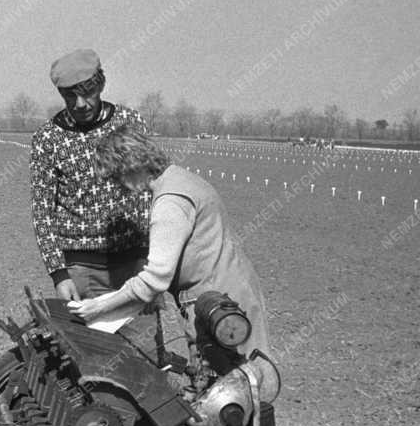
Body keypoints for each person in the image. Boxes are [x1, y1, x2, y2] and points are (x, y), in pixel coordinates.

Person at [70, 126, 280, 404]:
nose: (119, 185)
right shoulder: (182, 179)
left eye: (117, 175)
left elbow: (155, 278)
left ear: (131, 164)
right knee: (228, 384)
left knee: (238, 390)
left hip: (219, 301)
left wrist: (98, 306)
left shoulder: (170, 203)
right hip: (228, 287)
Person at [31, 49, 151, 303]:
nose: (80, 104)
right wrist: (59, 274)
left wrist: (148, 260)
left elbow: (148, 194)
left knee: (142, 342)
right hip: (81, 273)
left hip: (135, 268)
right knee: (86, 343)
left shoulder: (130, 123)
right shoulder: (48, 139)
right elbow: (43, 212)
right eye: (70, 96)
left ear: (101, 84)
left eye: (87, 93)